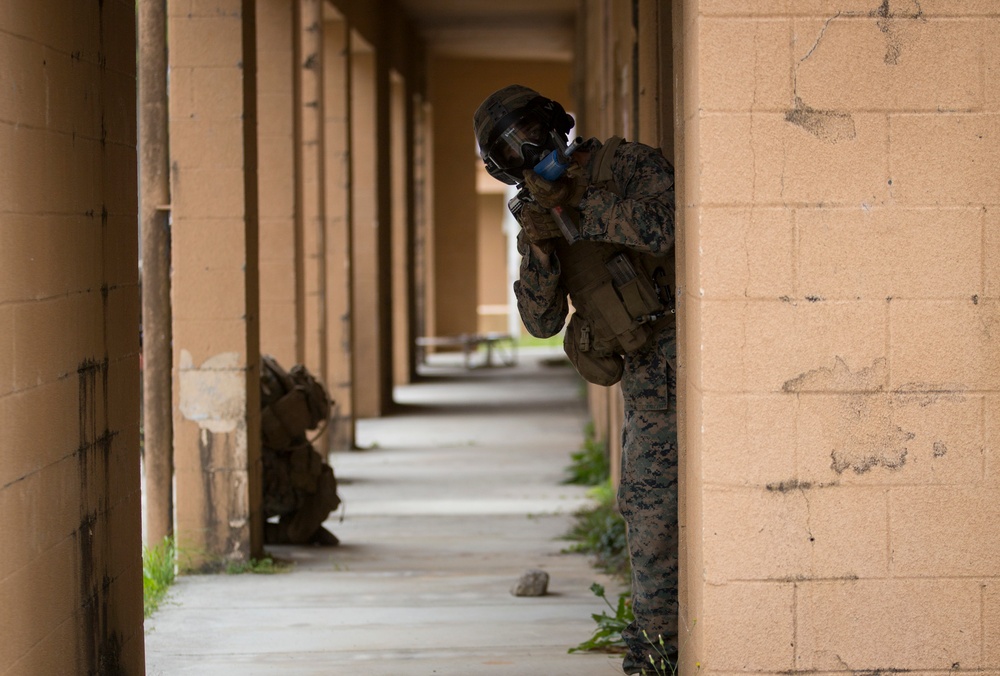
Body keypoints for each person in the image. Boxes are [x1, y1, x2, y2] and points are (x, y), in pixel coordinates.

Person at [474, 85, 678, 675]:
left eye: (529, 136)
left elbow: (670, 227)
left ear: (554, 122)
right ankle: (658, 648)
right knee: (648, 510)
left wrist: (580, 208)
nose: (530, 154)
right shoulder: (540, 218)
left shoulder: (626, 165)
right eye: (512, 153)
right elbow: (539, 322)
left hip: (697, 354)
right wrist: (541, 245)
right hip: (646, 377)